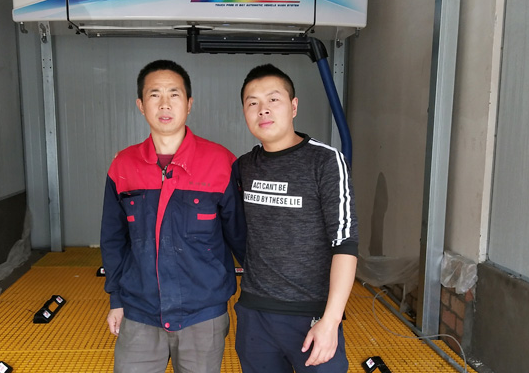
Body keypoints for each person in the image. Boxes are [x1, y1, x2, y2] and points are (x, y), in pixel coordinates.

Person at [100, 59, 246, 373]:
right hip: (140, 311)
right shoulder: (123, 166)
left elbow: (242, 238)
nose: (164, 104)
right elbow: (113, 240)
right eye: (154, 95)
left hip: (202, 315)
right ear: (141, 105)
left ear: (189, 104)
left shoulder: (221, 162)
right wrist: (116, 299)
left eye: (174, 94)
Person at [234, 63, 358, 373]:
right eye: (252, 103)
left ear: (293, 106)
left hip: (311, 317)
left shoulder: (325, 161)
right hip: (255, 315)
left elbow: (345, 244)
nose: (263, 110)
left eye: (273, 99)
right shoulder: (243, 167)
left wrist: (330, 321)